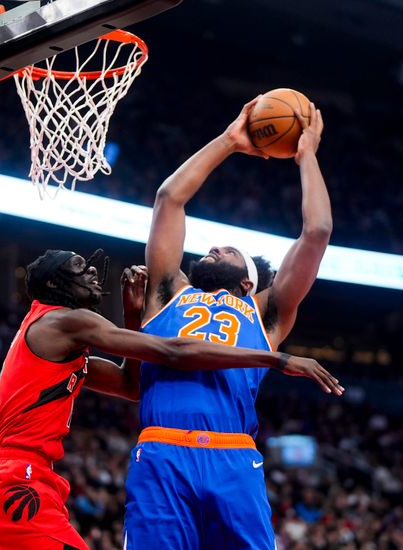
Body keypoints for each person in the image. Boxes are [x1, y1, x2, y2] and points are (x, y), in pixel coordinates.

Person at [0, 248, 340, 550]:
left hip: (30, 478)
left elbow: (133, 385)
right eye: (80, 267)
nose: (94, 275)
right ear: (55, 283)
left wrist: (133, 315)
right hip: (16, 478)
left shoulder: (62, 345)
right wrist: (278, 358)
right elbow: (173, 351)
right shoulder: (64, 320)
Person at [123, 97, 334, 549]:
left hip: (233, 457)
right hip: (161, 452)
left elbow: (316, 232)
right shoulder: (167, 292)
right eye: (214, 248)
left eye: (229, 252)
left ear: (248, 281)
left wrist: (307, 154)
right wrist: (229, 141)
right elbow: (169, 199)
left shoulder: (265, 311)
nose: (215, 248)